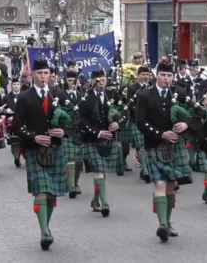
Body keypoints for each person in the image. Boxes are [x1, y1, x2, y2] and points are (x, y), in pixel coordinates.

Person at [135, 61, 193, 242]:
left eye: (169, 76)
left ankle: (167, 223)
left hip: (174, 146)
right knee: (160, 184)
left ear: (173, 77)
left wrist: (186, 123)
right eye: (162, 75)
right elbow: (140, 121)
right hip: (154, 144)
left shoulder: (180, 94)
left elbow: (197, 113)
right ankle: (161, 224)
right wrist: (161, 134)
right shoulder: (144, 95)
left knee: (170, 186)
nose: (165, 79)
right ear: (156, 75)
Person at [12, 59, 66, 250]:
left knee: (51, 194)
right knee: (41, 190)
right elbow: (16, 126)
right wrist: (34, 137)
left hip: (55, 149)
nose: (43, 77)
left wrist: (63, 131)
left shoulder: (58, 93)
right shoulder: (24, 97)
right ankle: (44, 231)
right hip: (35, 150)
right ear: (33, 74)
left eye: (46, 73)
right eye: (40, 73)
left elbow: (73, 118)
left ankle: (46, 225)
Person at [78, 69, 126, 217]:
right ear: (92, 81)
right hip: (92, 139)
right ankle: (105, 203)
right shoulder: (86, 98)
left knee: (102, 172)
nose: (101, 83)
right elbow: (82, 120)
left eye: (103, 79)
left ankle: (95, 200)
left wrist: (118, 124)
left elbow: (125, 113)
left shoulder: (113, 95)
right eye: (98, 80)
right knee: (99, 171)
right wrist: (97, 132)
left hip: (108, 139)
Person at [122, 66, 151, 183]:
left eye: (147, 74)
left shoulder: (151, 87)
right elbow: (130, 104)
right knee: (141, 145)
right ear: (138, 75)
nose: (145, 77)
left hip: (150, 121)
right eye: (143, 74)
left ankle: (146, 168)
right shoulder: (132, 88)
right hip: (136, 120)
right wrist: (140, 114)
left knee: (147, 145)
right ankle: (145, 170)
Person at [62, 71, 85, 198]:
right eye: (70, 81)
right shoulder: (61, 96)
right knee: (70, 160)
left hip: (79, 132)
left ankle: (75, 184)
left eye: (74, 81)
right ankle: (70, 186)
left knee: (79, 161)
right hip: (67, 131)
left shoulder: (82, 96)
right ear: (66, 81)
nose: (72, 84)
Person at [3, 78, 23, 168]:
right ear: (11, 86)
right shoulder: (6, 97)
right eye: (14, 85)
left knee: (23, 140)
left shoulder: (25, 95)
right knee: (14, 141)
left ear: (20, 86)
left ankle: (23, 157)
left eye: (17, 84)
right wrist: (5, 110)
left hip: (23, 122)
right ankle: (16, 157)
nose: (16, 86)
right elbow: (0, 110)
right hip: (11, 123)